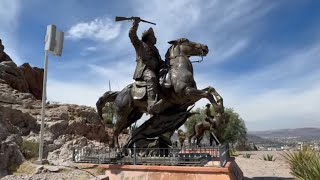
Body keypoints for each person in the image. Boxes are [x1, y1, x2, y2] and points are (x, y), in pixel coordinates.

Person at [129, 17, 164, 114]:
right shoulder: (140, 44)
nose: (155, 37)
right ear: (149, 37)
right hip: (145, 69)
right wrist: (135, 24)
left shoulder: (155, 49)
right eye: (153, 36)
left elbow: (160, 61)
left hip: (157, 69)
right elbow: (132, 36)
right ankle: (151, 104)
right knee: (151, 78)